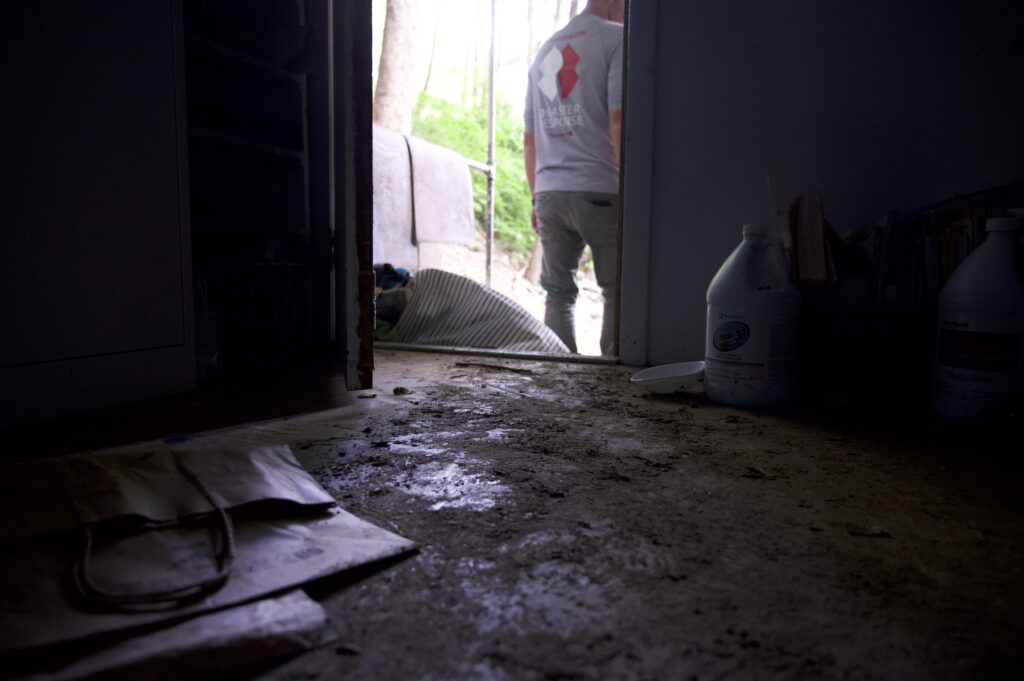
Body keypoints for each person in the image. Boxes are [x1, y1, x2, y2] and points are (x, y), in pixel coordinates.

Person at [523, 0, 625, 355]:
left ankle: (560, 377)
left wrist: (536, 197)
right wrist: (631, 187)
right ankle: (613, 381)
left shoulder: (545, 51)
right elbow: (618, 119)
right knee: (617, 290)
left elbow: (529, 137)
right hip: (600, 187)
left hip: (550, 192)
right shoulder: (617, 39)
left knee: (558, 293)